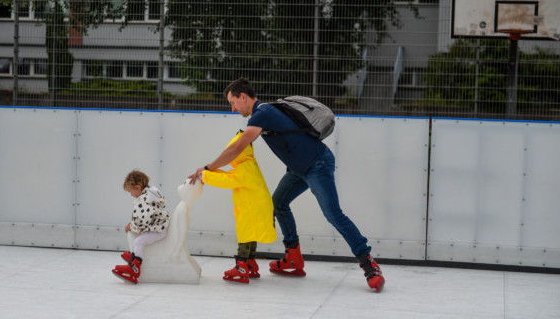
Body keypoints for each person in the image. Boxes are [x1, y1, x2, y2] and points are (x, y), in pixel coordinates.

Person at [189, 77, 385, 292]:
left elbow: (236, 148)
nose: (233, 108)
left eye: (233, 102)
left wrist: (207, 168)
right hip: (298, 169)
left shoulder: (262, 114)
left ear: (243, 97)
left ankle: (369, 264)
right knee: (279, 203)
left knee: (333, 214)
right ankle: (293, 258)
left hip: (317, 164)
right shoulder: (265, 113)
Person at [200, 130, 277, 284]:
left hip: (252, 208)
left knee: (245, 234)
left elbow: (228, 181)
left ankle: (241, 266)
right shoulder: (247, 165)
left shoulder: (245, 168)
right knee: (251, 235)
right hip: (256, 206)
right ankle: (250, 263)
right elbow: (230, 176)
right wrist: (209, 171)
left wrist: (205, 175)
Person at [112, 170, 170, 284]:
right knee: (138, 239)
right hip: (158, 227)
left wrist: (132, 225)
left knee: (139, 241)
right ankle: (134, 256)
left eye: (130, 191)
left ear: (138, 187)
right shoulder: (150, 193)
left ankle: (135, 268)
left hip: (158, 231)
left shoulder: (143, 200)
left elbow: (143, 219)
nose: (131, 195)